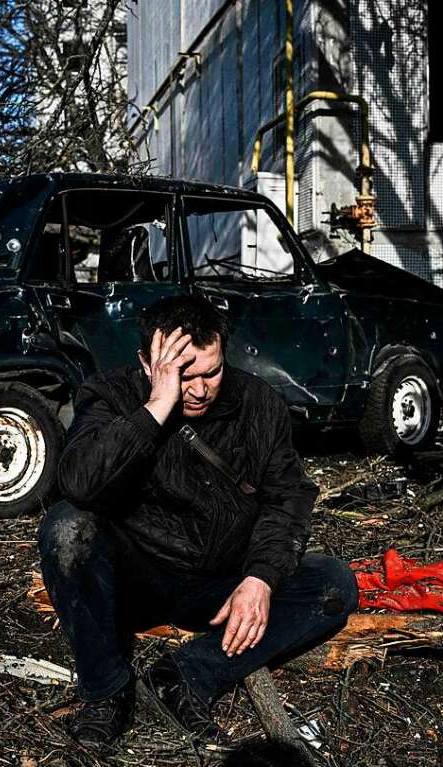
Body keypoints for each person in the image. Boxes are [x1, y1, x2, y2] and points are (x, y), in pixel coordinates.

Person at [37, 295, 358, 748]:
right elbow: (79, 484)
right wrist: (157, 407)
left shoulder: (256, 402)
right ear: (147, 364)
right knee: (67, 528)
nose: (200, 388)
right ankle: (107, 693)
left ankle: (183, 677)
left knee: (333, 583)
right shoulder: (109, 394)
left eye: (212, 372)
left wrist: (260, 578)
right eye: (183, 375)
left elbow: (287, 497)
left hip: (220, 584)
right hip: (135, 582)